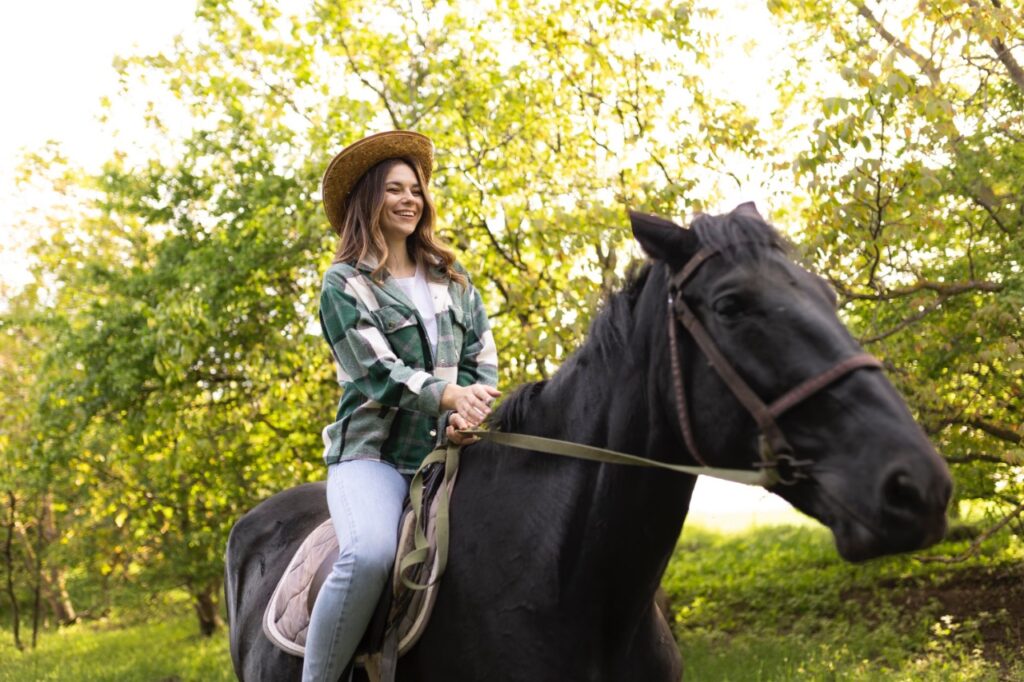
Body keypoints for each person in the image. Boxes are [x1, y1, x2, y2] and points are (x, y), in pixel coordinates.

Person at [304, 130, 500, 682]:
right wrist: (448, 397)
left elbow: (481, 365)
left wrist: (469, 412)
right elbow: (376, 375)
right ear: (368, 200)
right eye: (394, 189)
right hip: (373, 458)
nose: (410, 199)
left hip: (450, 456)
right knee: (368, 556)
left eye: (415, 189)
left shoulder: (454, 279)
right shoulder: (345, 285)